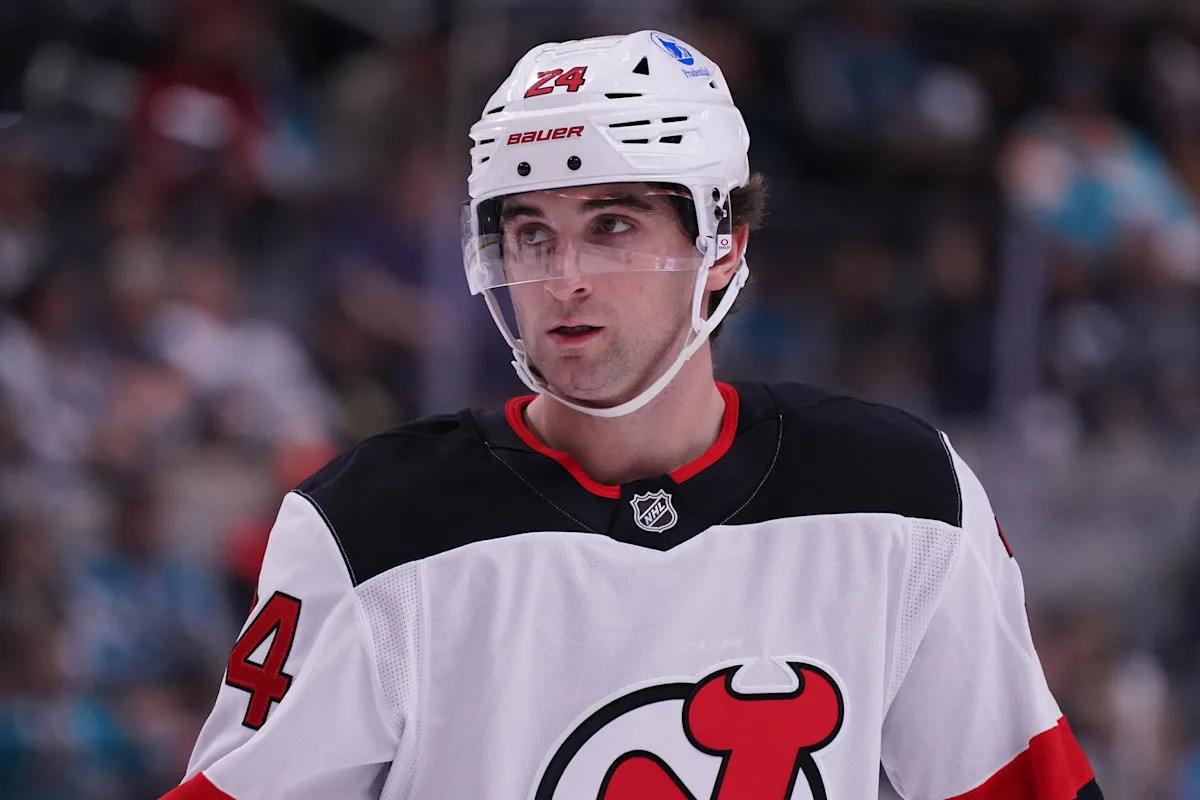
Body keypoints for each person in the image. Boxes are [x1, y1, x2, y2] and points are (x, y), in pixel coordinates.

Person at [161, 31, 1103, 799]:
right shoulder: (369, 528)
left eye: (611, 226)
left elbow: (1021, 786)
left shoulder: (901, 496)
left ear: (722, 243)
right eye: (532, 232)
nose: (563, 277)